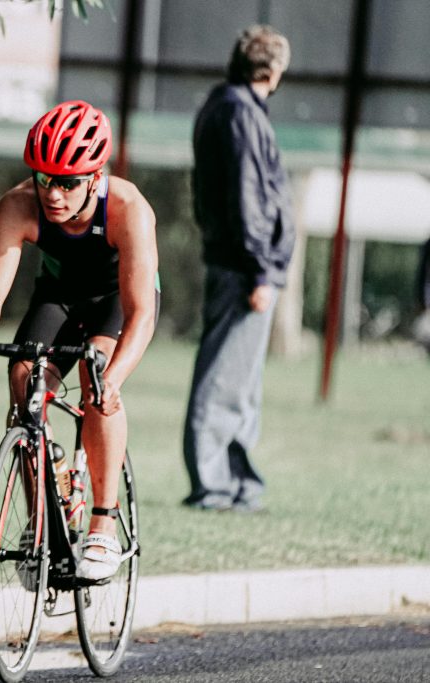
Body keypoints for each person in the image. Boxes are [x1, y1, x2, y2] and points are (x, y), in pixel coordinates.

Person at [0, 100, 159, 581]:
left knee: (95, 375)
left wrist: (114, 378)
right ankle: (40, 521)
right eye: (44, 179)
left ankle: (103, 522)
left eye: (68, 182)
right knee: (23, 378)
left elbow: (142, 313)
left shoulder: (127, 209)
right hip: (59, 296)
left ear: (95, 178)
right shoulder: (18, 206)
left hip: (116, 299)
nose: (53, 194)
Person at [182, 25, 294, 512]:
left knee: (241, 381)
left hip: (238, 261)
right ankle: (214, 485)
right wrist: (260, 271)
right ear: (273, 69)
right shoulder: (240, 112)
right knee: (224, 379)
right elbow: (248, 197)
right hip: (242, 266)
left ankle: (238, 481)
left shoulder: (226, 105)